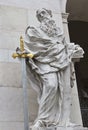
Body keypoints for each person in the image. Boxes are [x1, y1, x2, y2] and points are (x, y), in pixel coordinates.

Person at [18, 8, 84, 128]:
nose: (43, 15)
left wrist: (73, 48)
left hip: (61, 60)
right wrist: (24, 52)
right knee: (51, 85)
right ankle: (42, 119)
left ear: (50, 15)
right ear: (38, 18)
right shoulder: (34, 31)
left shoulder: (58, 32)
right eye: (39, 14)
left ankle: (64, 121)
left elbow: (63, 45)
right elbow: (31, 46)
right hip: (44, 61)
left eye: (44, 12)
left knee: (64, 90)